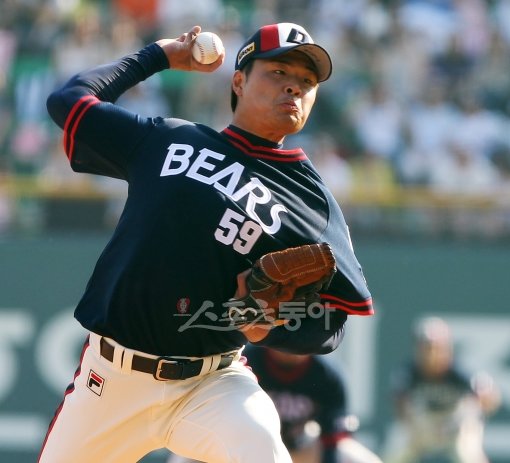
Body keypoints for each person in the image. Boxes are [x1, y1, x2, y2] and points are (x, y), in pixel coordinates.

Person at [38, 22, 374, 463]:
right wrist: (158, 56)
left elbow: (334, 322)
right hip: (111, 380)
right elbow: (69, 102)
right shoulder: (169, 139)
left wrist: (272, 325)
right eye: (278, 72)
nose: (294, 87)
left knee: (262, 447)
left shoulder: (312, 201)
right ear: (239, 82)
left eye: (306, 81)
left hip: (212, 383)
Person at [167, 346, 383, 463]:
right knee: (184, 457)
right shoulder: (248, 360)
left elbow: (331, 442)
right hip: (244, 446)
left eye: (301, 338)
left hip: (299, 448)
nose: (292, 345)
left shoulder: (328, 375)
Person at [383, 316, 501, 463]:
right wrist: (416, 426)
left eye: (437, 348)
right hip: (422, 424)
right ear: (418, 349)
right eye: (427, 348)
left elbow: (489, 398)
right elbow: (400, 407)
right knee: (394, 454)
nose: (432, 354)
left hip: (456, 424)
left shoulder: (460, 372)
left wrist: (474, 411)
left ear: (447, 350)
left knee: (469, 455)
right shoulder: (408, 373)